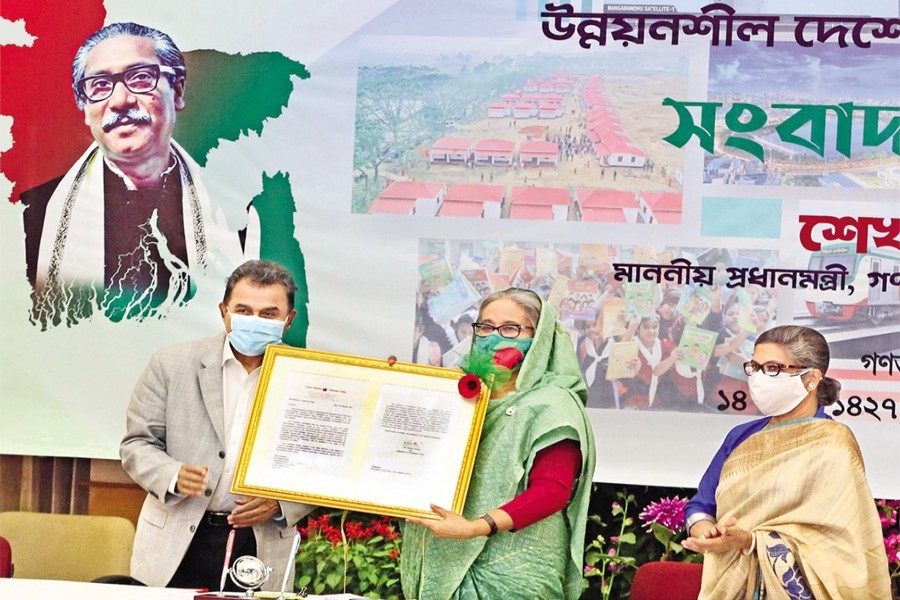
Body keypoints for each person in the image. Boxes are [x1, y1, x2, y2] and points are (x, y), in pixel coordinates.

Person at [21, 22, 242, 324]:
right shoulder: (31, 216)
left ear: (177, 91)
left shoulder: (239, 211)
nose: (120, 100)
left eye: (141, 78)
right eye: (99, 86)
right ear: (84, 108)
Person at [120, 260, 312, 591]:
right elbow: (136, 444)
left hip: (260, 543)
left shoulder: (310, 378)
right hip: (176, 539)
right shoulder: (171, 364)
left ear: (288, 320)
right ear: (224, 311)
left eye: (268, 314)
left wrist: (282, 504)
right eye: (243, 310)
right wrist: (172, 474)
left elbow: (324, 464)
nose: (254, 320)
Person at [401, 288, 596, 599]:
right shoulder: (455, 393)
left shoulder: (553, 404)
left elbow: (551, 491)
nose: (494, 337)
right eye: (486, 326)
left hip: (514, 571)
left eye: (510, 329)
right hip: (446, 549)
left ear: (540, 337)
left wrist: (475, 527)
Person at [682, 325, 890, 598]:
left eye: (773, 368)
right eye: (754, 367)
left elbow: (840, 543)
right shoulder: (741, 437)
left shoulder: (833, 444)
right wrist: (704, 530)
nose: (758, 378)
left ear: (812, 378)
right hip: (730, 584)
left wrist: (752, 541)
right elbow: (701, 504)